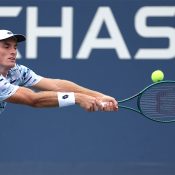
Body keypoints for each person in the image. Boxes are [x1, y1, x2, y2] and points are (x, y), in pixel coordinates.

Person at [0, 29, 118, 114]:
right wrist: (77, 98)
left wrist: (98, 96)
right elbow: (33, 99)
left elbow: (56, 85)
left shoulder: (16, 71)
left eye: (15, 47)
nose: (13, 51)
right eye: (6, 46)